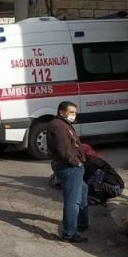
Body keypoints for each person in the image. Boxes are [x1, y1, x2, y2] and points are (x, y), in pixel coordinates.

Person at [47, 101, 89, 243]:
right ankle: (70, 232)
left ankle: (81, 223)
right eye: (71, 112)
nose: (74, 115)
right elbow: (64, 149)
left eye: (75, 112)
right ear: (61, 112)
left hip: (68, 165)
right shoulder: (59, 126)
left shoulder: (63, 124)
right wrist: (76, 163)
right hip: (69, 167)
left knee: (83, 189)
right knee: (73, 199)